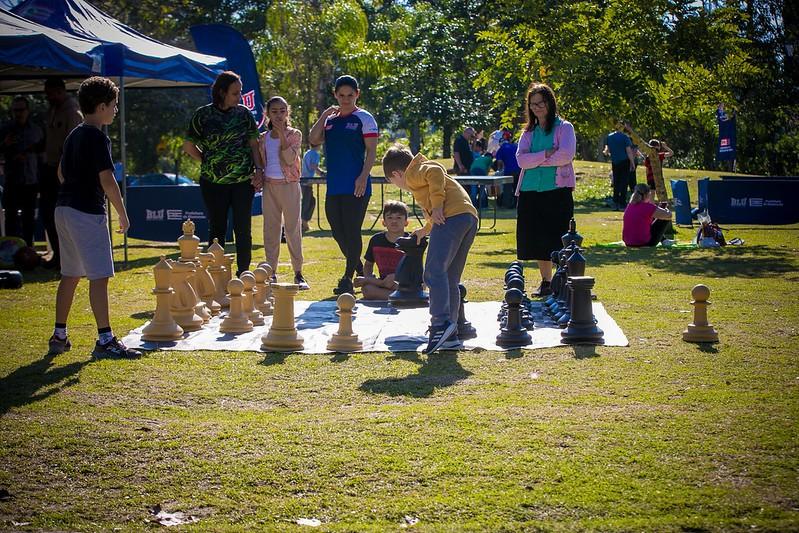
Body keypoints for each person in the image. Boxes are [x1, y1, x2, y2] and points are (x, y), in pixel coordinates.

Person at [48, 76, 141, 358]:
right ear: (101, 107)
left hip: (63, 209)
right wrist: (122, 213)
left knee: (70, 275)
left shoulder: (74, 134)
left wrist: (75, 189)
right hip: (86, 212)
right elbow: (107, 179)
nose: (115, 110)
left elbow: (61, 173)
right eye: (113, 105)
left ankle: (59, 335)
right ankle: (105, 339)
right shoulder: (98, 137)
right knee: (99, 276)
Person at [382, 145, 478, 354]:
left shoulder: (414, 172)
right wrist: (425, 229)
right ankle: (450, 335)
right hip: (467, 218)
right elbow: (438, 210)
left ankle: (440, 324)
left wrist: (437, 206)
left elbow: (436, 172)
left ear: (397, 174)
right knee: (450, 278)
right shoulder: (419, 175)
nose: (398, 186)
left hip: (453, 217)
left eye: (393, 181)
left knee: (433, 273)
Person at [184, 71, 263, 276]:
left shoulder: (244, 114)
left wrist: (259, 170)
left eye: (240, 92)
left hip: (243, 182)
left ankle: (243, 273)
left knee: (243, 228)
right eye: (235, 93)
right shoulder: (203, 115)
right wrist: (206, 160)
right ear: (221, 92)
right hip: (212, 183)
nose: (239, 97)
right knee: (217, 228)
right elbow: (188, 146)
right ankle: (215, 274)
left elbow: (254, 144)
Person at [308, 75, 378, 296]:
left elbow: (372, 151)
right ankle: (360, 270)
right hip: (335, 186)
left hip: (357, 185)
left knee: (352, 230)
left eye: (350, 95)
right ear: (335, 95)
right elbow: (313, 139)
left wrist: (363, 177)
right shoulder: (330, 120)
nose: (346, 99)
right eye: (341, 95)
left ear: (357, 94)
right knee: (338, 232)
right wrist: (323, 115)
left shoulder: (364, 118)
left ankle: (347, 278)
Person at [515, 82, 576, 297]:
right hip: (530, 191)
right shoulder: (528, 132)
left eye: (540, 103)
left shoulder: (565, 127)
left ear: (550, 102)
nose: (537, 108)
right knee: (538, 239)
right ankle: (546, 281)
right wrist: (546, 154)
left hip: (557, 191)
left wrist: (536, 160)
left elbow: (565, 156)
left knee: (558, 237)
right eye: (533, 104)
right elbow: (521, 160)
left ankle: (563, 280)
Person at [259, 96, 308, 290]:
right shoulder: (263, 137)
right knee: (270, 230)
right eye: (274, 111)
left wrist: (281, 133)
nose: (278, 115)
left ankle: (298, 273)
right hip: (269, 186)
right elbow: (260, 163)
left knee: (292, 229)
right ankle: (271, 272)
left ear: (287, 112)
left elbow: (289, 159)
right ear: (267, 114)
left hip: (289, 185)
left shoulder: (294, 134)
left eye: (282, 111)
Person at [40, 78, 82, 269]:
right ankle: (58, 256)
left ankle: (68, 259)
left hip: (64, 170)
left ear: (60, 91)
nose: (48, 97)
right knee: (49, 214)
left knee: (64, 217)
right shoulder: (53, 110)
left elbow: (74, 146)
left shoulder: (72, 112)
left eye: (50, 93)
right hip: (50, 168)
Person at [0, 96, 43, 247]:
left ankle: (28, 248)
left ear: (27, 111)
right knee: (11, 217)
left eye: (21, 110)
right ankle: (11, 251)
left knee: (29, 218)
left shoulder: (36, 130)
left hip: (30, 180)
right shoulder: (5, 129)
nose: (18, 113)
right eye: (15, 110)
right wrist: (5, 144)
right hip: (12, 180)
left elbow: (43, 153)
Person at [353, 200, 410, 300]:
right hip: (383, 283)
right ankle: (400, 298)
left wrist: (396, 277)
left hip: (405, 282)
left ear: (406, 222)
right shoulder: (376, 240)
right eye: (390, 218)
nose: (394, 221)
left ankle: (399, 296)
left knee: (410, 288)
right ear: (384, 222)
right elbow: (368, 265)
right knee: (367, 289)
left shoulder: (411, 242)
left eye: (399, 218)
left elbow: (415, 270)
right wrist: (369, 279)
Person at [604, 124, 636, 210]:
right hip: (624, 161)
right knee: (624, 182)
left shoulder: (609, 136)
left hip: (615, 162)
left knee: (616, 182)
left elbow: (607, 150)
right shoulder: (625, 137)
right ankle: (622, 203)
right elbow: (629, 151)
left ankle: (615, 202)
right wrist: (632, 163)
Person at [300, 142, 324, 233]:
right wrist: (322, 173)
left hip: (304, 180)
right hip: (307, 181)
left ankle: (304, 223)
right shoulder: (315, 154)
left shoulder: (308, 152)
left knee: (311, 201)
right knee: (307, 203)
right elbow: (313, 166)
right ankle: (304, 225)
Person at [494, 130, 520, 208]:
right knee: (517, 188)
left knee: (507, 188)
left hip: (508, 171)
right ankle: (517, 204)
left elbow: (499, 162)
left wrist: (499, 169)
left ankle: (507, 205)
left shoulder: (502, 148)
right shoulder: (515, 146)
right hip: (518, 170)